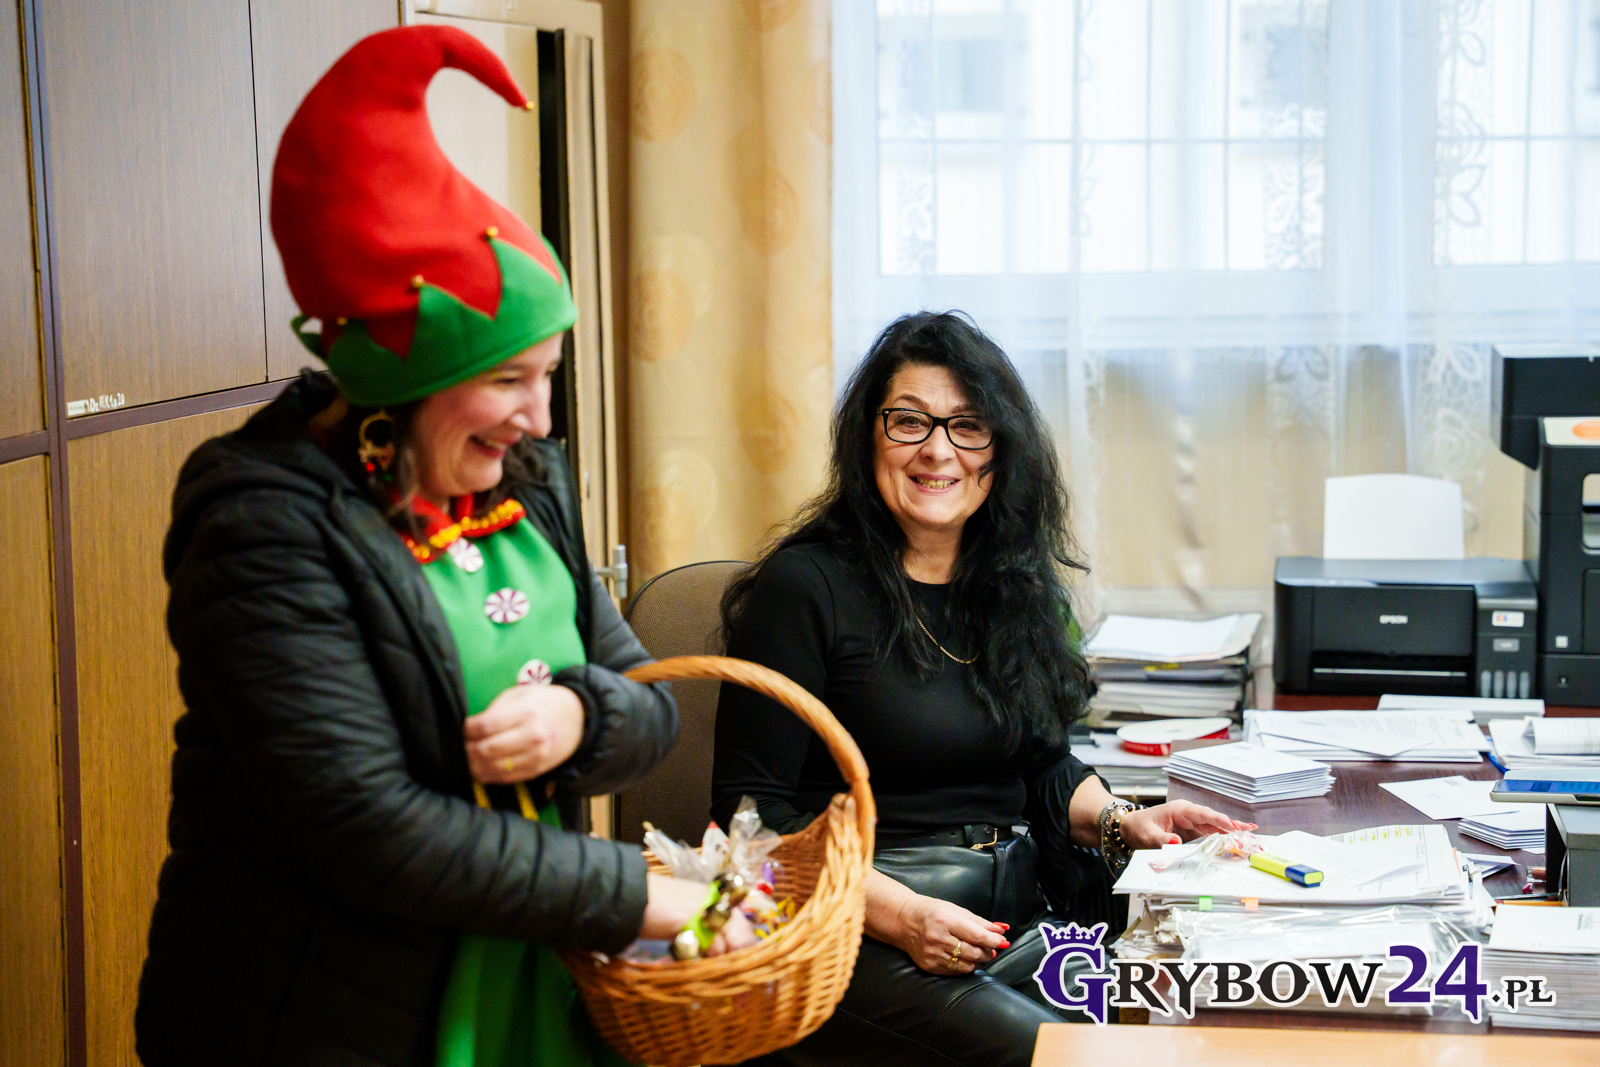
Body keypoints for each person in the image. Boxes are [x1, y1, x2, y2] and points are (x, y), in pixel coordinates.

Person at [136, 27, 749, 1067]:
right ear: (403, 382)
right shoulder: (262, 525)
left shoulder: (526, 481)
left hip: (520, 972)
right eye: (509, 380)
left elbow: (648, 697)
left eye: (548, 375)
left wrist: (578, 713)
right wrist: (638, 896)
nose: (540, 419)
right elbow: (368, 829)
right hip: (319, 1016)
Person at [711, 311, 1254, 1067]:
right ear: (868, 438)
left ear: (998, 451)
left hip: (1013, 921)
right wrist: (904, 916)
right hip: (862, 932)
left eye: (967, 426)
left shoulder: (1015, 587)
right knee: (1080, 1059)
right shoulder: (805, 588)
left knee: (1203, 1022)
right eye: (909, 421)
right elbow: (747, 822)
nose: (938, 450)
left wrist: (1125, 820)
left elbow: (1041, 764)